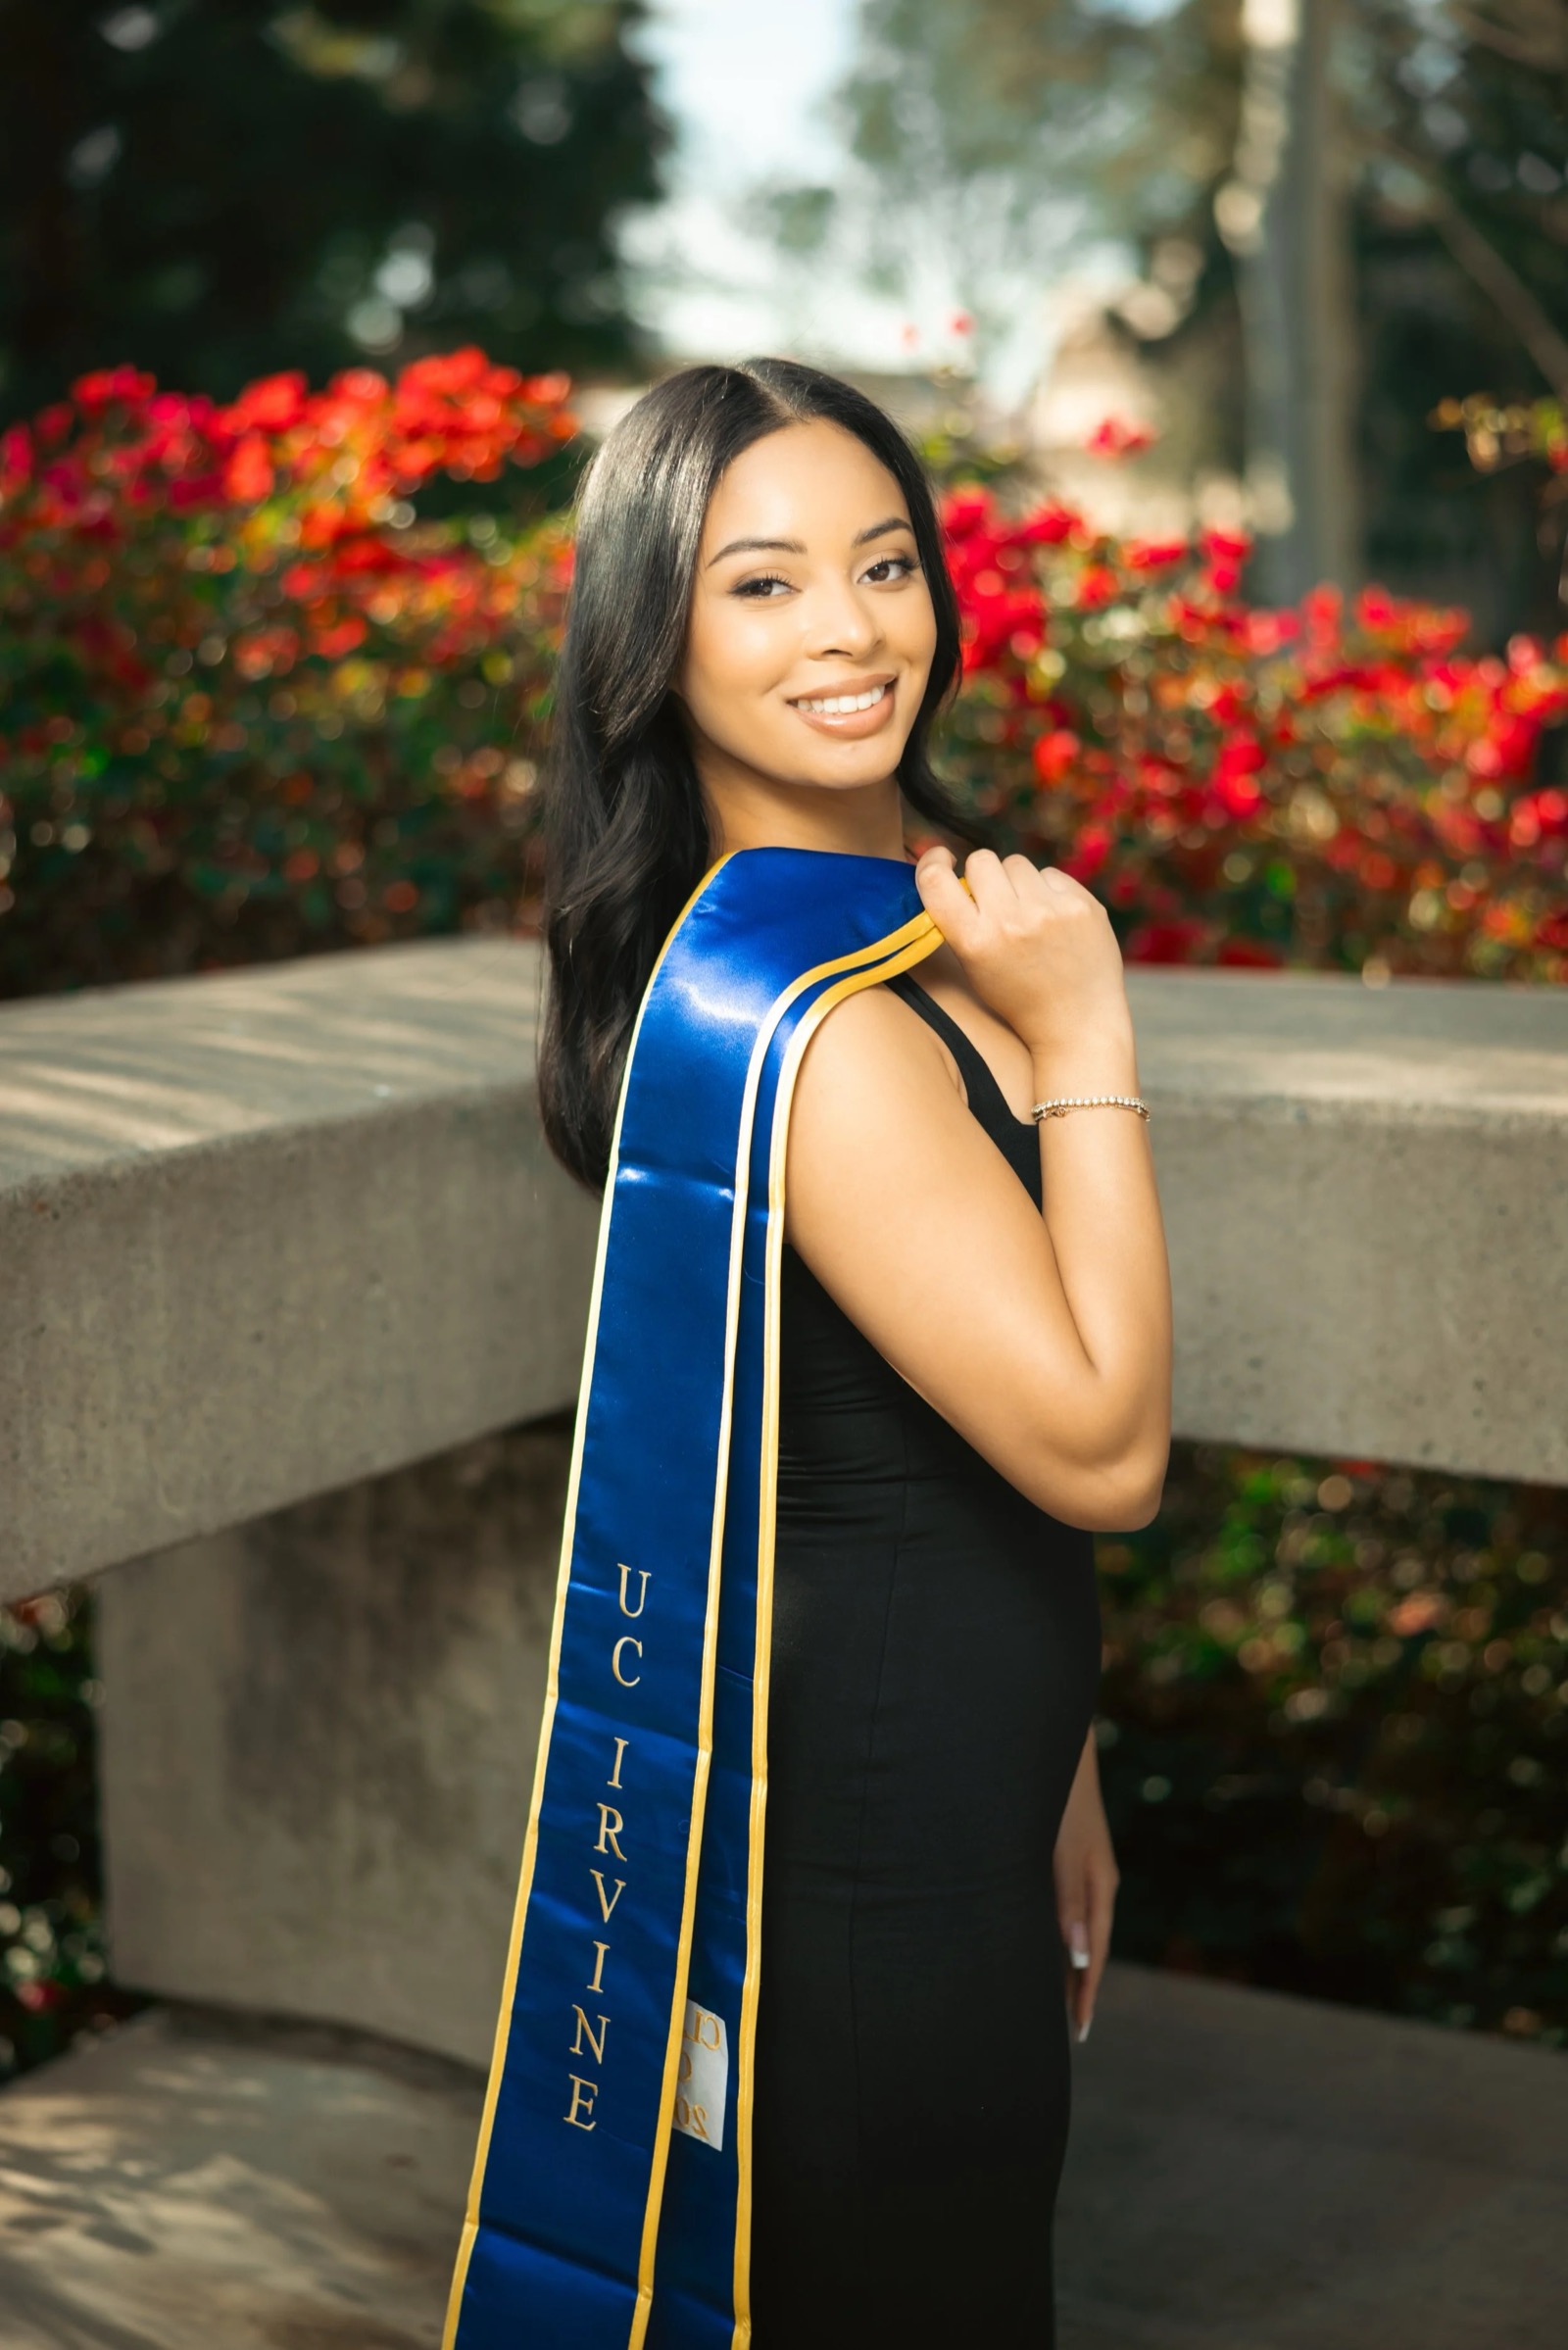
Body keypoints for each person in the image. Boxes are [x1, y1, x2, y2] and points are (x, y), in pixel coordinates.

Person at [456, 358, 1172, 2350]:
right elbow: (1100, 1448)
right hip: (862, 1867)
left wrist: (1060, 1751)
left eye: (880, 562)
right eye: (759, 585)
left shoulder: (883, 912)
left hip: (953, 1786)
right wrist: (1087, 1030)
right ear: (647, 643)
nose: (853, 631)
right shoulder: (826, 1027)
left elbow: (907, 1423)